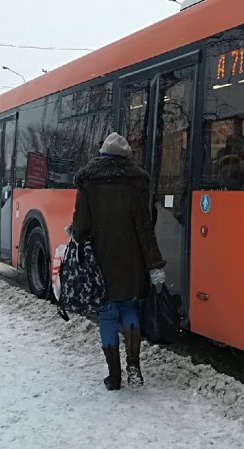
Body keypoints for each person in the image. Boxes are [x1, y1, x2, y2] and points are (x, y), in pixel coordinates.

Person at [71, 132, 166, 391]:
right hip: (131, 259)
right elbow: (144, 227)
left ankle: (114, 377)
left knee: (108, 314)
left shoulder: (89, 181)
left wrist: (78, 235)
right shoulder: (137, 182)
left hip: (101, 260)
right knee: (129, 308)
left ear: (102, 154)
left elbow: (80, 226)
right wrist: (155, 263)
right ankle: (134, 364)